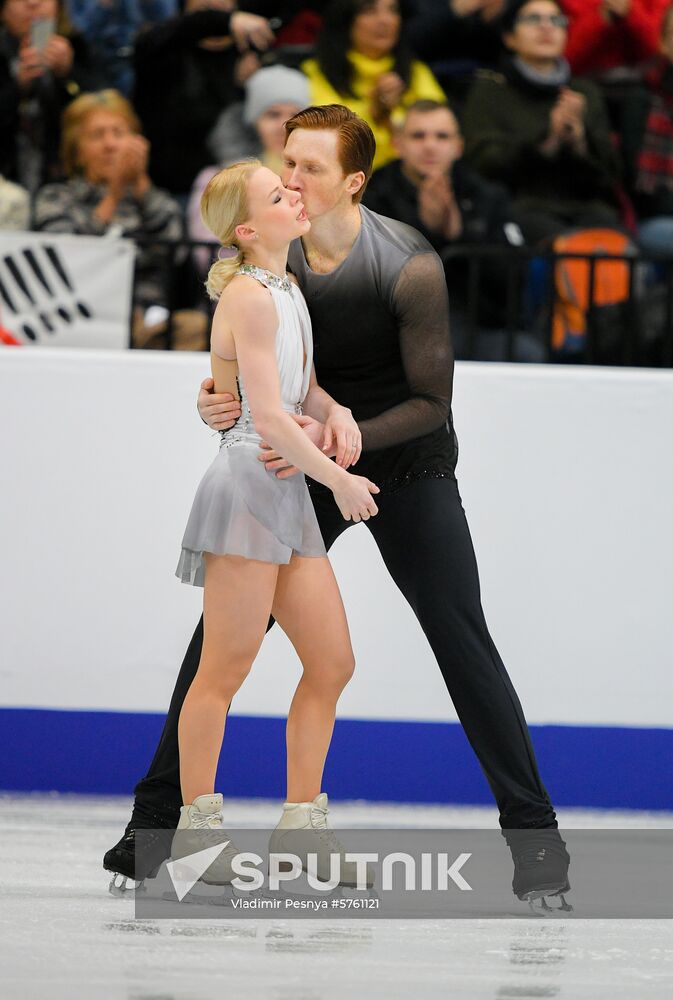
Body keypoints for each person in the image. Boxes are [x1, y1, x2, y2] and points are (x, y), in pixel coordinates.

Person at [103, 104, 571, 910]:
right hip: (302, 463)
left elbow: (431, 400)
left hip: (405, 465)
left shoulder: (406, 263)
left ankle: (536, 843)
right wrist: (217, 399)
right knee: (218, 640)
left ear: (353, 182)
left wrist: (331, 440)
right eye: (288, 162)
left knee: (460, 635)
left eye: (311, 168)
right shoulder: (273, 253)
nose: (291, 179)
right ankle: (154, 829)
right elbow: (247, 364)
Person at [169, 157, 379, 886]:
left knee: (331, 662)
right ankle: (195, 837)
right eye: (278, 192)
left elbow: (301, 389)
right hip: (247, 489)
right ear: (248, 227)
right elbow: (262, 418)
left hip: (283, 490)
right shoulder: (250, 299)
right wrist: (340, 480)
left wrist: (335, 413)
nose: (296, 194)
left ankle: (301, 830)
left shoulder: (286, 287)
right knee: (224, 669)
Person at [362, 98, 542, 361]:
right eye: (418, 136)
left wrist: (460, 235)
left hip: (478, 323)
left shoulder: (487, 196)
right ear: (397, 144)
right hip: (394, 331)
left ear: (458, 147)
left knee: (529, 353)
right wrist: (424, 230)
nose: (430, 146)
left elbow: (514, 278)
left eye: (442, 136)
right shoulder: (371, 195)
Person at [33, 89, 205, 349]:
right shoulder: (55, 197)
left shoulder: (152, 199)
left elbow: (176, 252)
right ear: (76, 150)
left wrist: (140, 188)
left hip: (150, 321)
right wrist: (113, 194)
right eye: (97, 135)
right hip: (78, 320)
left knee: (200, 327)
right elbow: (68, 261)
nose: (110, 144)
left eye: (119, 133)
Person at [462, 0, 622, 245]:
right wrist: (547, 140)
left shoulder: (584, 92)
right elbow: (482, 165)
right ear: (509, 37)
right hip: (520, 207)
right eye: (533, 19)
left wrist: (579, 141)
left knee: (617, 246)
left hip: (588, 207)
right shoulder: (490, 91)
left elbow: (611, 176)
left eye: (556, 21)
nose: (546, 27)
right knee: (566, 250)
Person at [132, 1, 276, 199]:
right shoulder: (164, 51)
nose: (213, 18)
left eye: (222, 10)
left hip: (233, 189)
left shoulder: (249, 56)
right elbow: (153, 40)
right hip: (172, 189)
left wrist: (251, 86)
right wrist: (225, 20)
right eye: (206, 11)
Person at [187, 64, 311, 276]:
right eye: (273, 114)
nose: (285, 124)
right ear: (252, 123)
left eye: (295, 114)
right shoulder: (217, 179)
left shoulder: (319, 177)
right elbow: (208, 252)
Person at [301, 0, 446, 170]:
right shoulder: (314, 73)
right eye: (369, 11)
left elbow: (441, 132)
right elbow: (327, 141)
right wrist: (375, 114)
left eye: (392, 10)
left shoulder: (416, 72)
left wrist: (390, 122)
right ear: (346, 20)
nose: (385, 20)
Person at [0, 0, 100, 192]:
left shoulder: (77, 47)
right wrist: (17, 86)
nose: (33, 3)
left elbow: (106, 106)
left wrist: (69, 73)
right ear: (3, 11)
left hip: (67, 180)